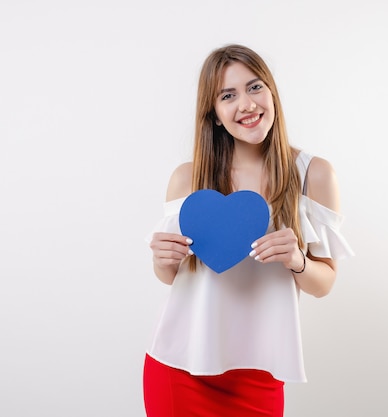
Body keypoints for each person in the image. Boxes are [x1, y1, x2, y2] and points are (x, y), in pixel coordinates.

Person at [143, 44, 354, 417]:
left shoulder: (313, 175)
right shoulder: (188, 179)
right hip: (180, 366)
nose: (247, 104)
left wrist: (296, 260)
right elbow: (170, 277)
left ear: (272, 92)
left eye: (255, 87)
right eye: (228, 95)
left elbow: (324, 283)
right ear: (215, 115)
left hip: (261, 373)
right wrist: (162, 259)